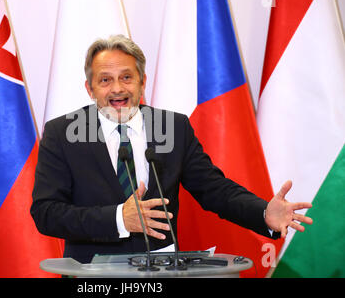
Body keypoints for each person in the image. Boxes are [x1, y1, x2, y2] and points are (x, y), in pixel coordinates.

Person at [31, 35, 312, 264]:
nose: (117, 88)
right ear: (90, 89)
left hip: (161, 273)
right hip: (91, 275)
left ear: (142, 82)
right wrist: (119, 218)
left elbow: (214, 189)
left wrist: (263, 213)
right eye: (105, 80)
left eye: (127, 77)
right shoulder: (62, 133)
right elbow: (46, 212)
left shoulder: (172, 127)